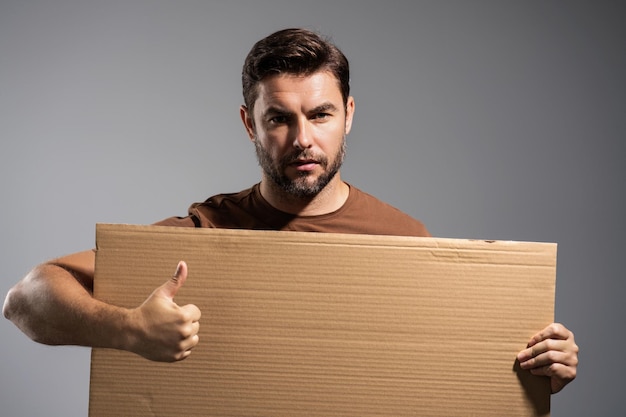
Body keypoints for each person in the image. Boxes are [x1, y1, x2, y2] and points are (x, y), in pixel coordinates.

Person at [2, 28, 577, 394]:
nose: (303, 139)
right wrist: (128, 329)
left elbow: (447, 380)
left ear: (348, 114)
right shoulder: (202, 233)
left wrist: (540, 372)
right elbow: (24, 300)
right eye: (280, 118)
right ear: (251, 123)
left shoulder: (405, 241)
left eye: (321, 115)